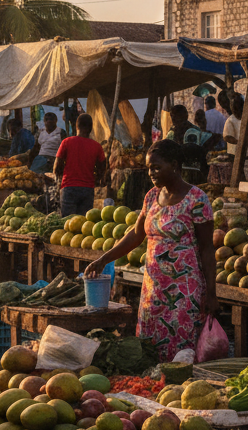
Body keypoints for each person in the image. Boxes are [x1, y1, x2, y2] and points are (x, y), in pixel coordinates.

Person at [86, 140, 217, 361]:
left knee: (181, 356)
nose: (151, 173)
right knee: (150, 354)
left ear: (175, 165)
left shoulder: (197, 199)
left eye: (156, 167)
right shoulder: (151, 197)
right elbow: (136, 235)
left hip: (183, 294)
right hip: (153, 292)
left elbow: (207, 249)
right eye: (149, 168)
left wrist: (212, 294)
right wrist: (103, 259)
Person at [54, 114, 106, 217]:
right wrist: (97, 179)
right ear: (91, 128)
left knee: (67, 222)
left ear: (76, 127)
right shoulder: (97, 146)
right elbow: (103, 167)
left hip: (69, 187)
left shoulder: (66, 142)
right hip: (88, 189)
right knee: (83, 224)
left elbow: (57, 166)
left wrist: (58, 178)